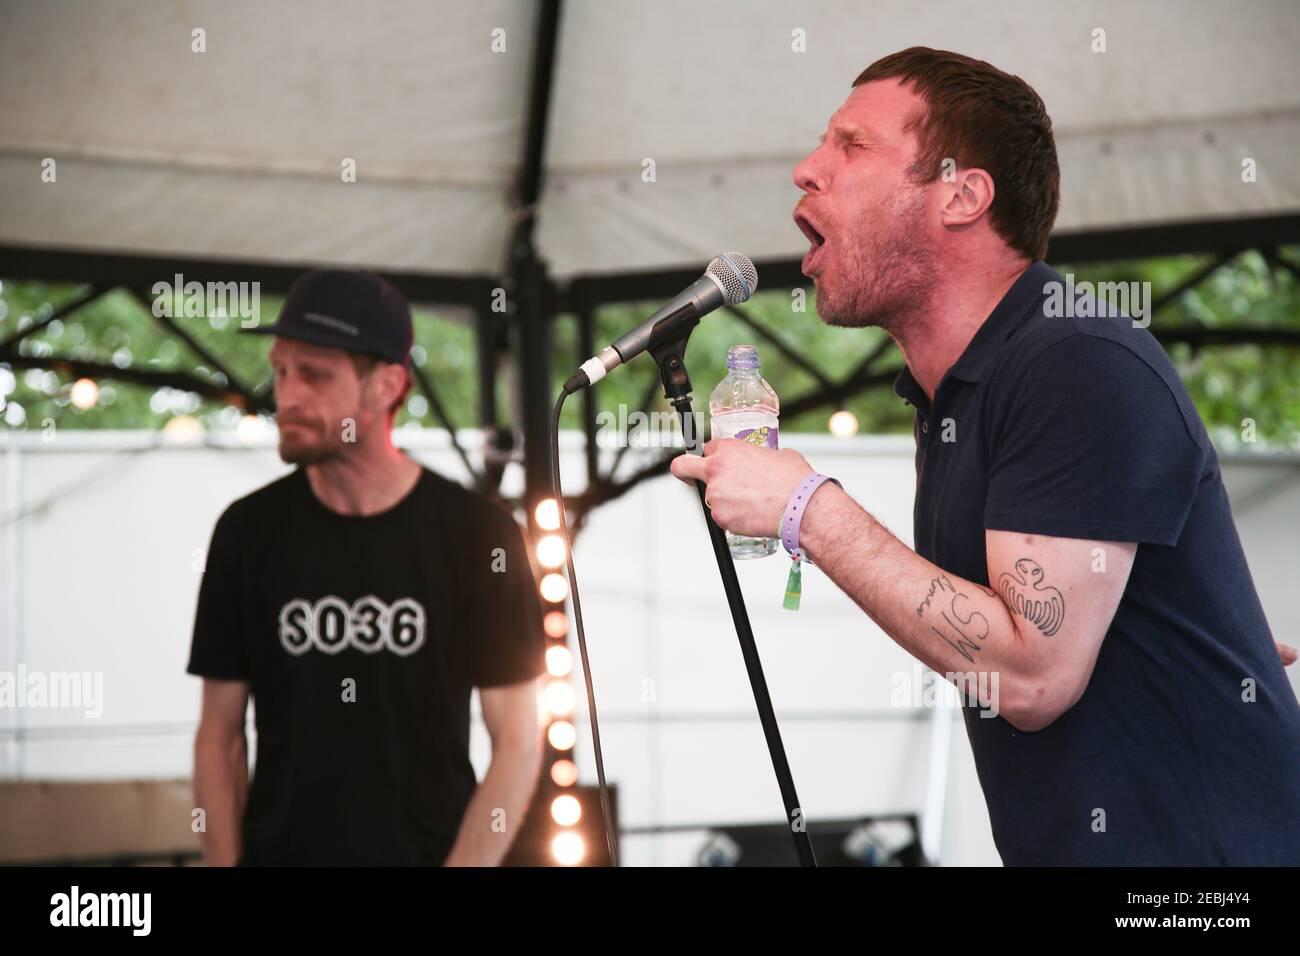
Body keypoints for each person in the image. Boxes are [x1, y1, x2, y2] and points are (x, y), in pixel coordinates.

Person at [671, 47, 1300, 865]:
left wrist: (808, 508)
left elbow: (1032, 680)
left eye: (851, 146)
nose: (806, 170)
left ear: (961, 195)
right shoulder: (957, 394)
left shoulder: (1075, 358)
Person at [188, 269, 544, 865]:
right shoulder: (246, 534)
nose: (288, 394)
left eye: (314, 374)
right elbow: (218, 739)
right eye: (280, 370)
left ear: (386, 385)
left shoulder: (478, 534)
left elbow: (518, 741)